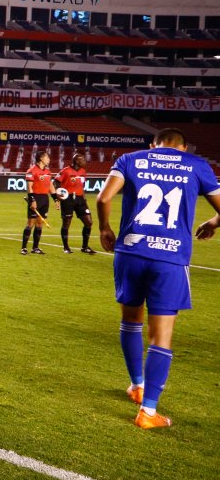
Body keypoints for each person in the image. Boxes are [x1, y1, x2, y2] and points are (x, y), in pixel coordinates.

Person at [97, 128, 220, 429]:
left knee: (130, 321)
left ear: (153, 145)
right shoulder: (197, 164)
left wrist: (104, 228)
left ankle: (136, 385)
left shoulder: (130, 159)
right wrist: (213, 222)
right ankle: (148, 412)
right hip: (170, 258)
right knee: (160, 336)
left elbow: (102, 199)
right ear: (183, 146)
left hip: (131, 252)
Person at [54, 153, 96, 254]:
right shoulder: (65, 171)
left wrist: (84, 199)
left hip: (80, 199)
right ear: (77, 161)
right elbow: (56, 182)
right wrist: (59, 195)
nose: (85, 162)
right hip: (68, 198)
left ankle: (85, 247)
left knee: (89, 222)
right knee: (66, 223)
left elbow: (82, 186)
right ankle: (66, 247)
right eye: (83, 160)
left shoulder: (83, 172)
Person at [22, 151, 55, 255]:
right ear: (41, 158)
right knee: (31, 223)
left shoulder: (48, 171)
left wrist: (56, 199)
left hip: (45, 198)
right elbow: (29, 187)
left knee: (40, 223)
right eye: (47, 157)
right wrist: (32, 200)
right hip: (35, 197)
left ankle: (35, 248)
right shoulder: (31, 170)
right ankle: (24, 248)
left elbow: (50, 186)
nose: (49, 159)